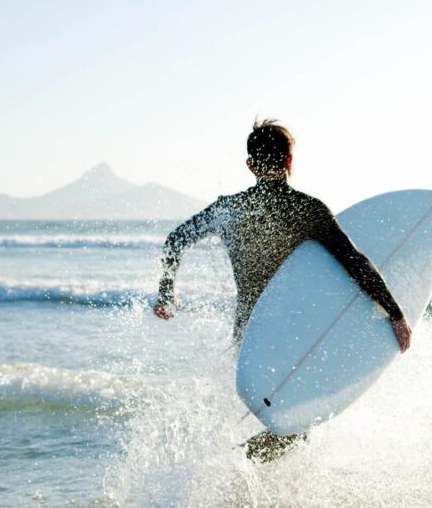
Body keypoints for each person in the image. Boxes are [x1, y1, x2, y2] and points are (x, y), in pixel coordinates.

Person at [153, 119, 412, 458]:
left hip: (248, 334)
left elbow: (175, 240)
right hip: (293, 333)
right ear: (290, 161)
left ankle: (231, 469)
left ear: (249, 165)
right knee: (295, 423)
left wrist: (166, 294)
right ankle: (238, 466)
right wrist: (395, 313)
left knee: (270, 414)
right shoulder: (307, 210)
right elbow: (355, 262)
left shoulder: (229, 208)